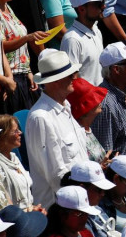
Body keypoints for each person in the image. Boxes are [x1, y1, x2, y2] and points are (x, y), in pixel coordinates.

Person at [25, 49, 85, 207]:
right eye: (70, 75)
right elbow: (56, 177)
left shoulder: (66, 107)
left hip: (80, 198)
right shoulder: (41, 118)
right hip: (61, 208)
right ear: (56, 81)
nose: (75, 78)